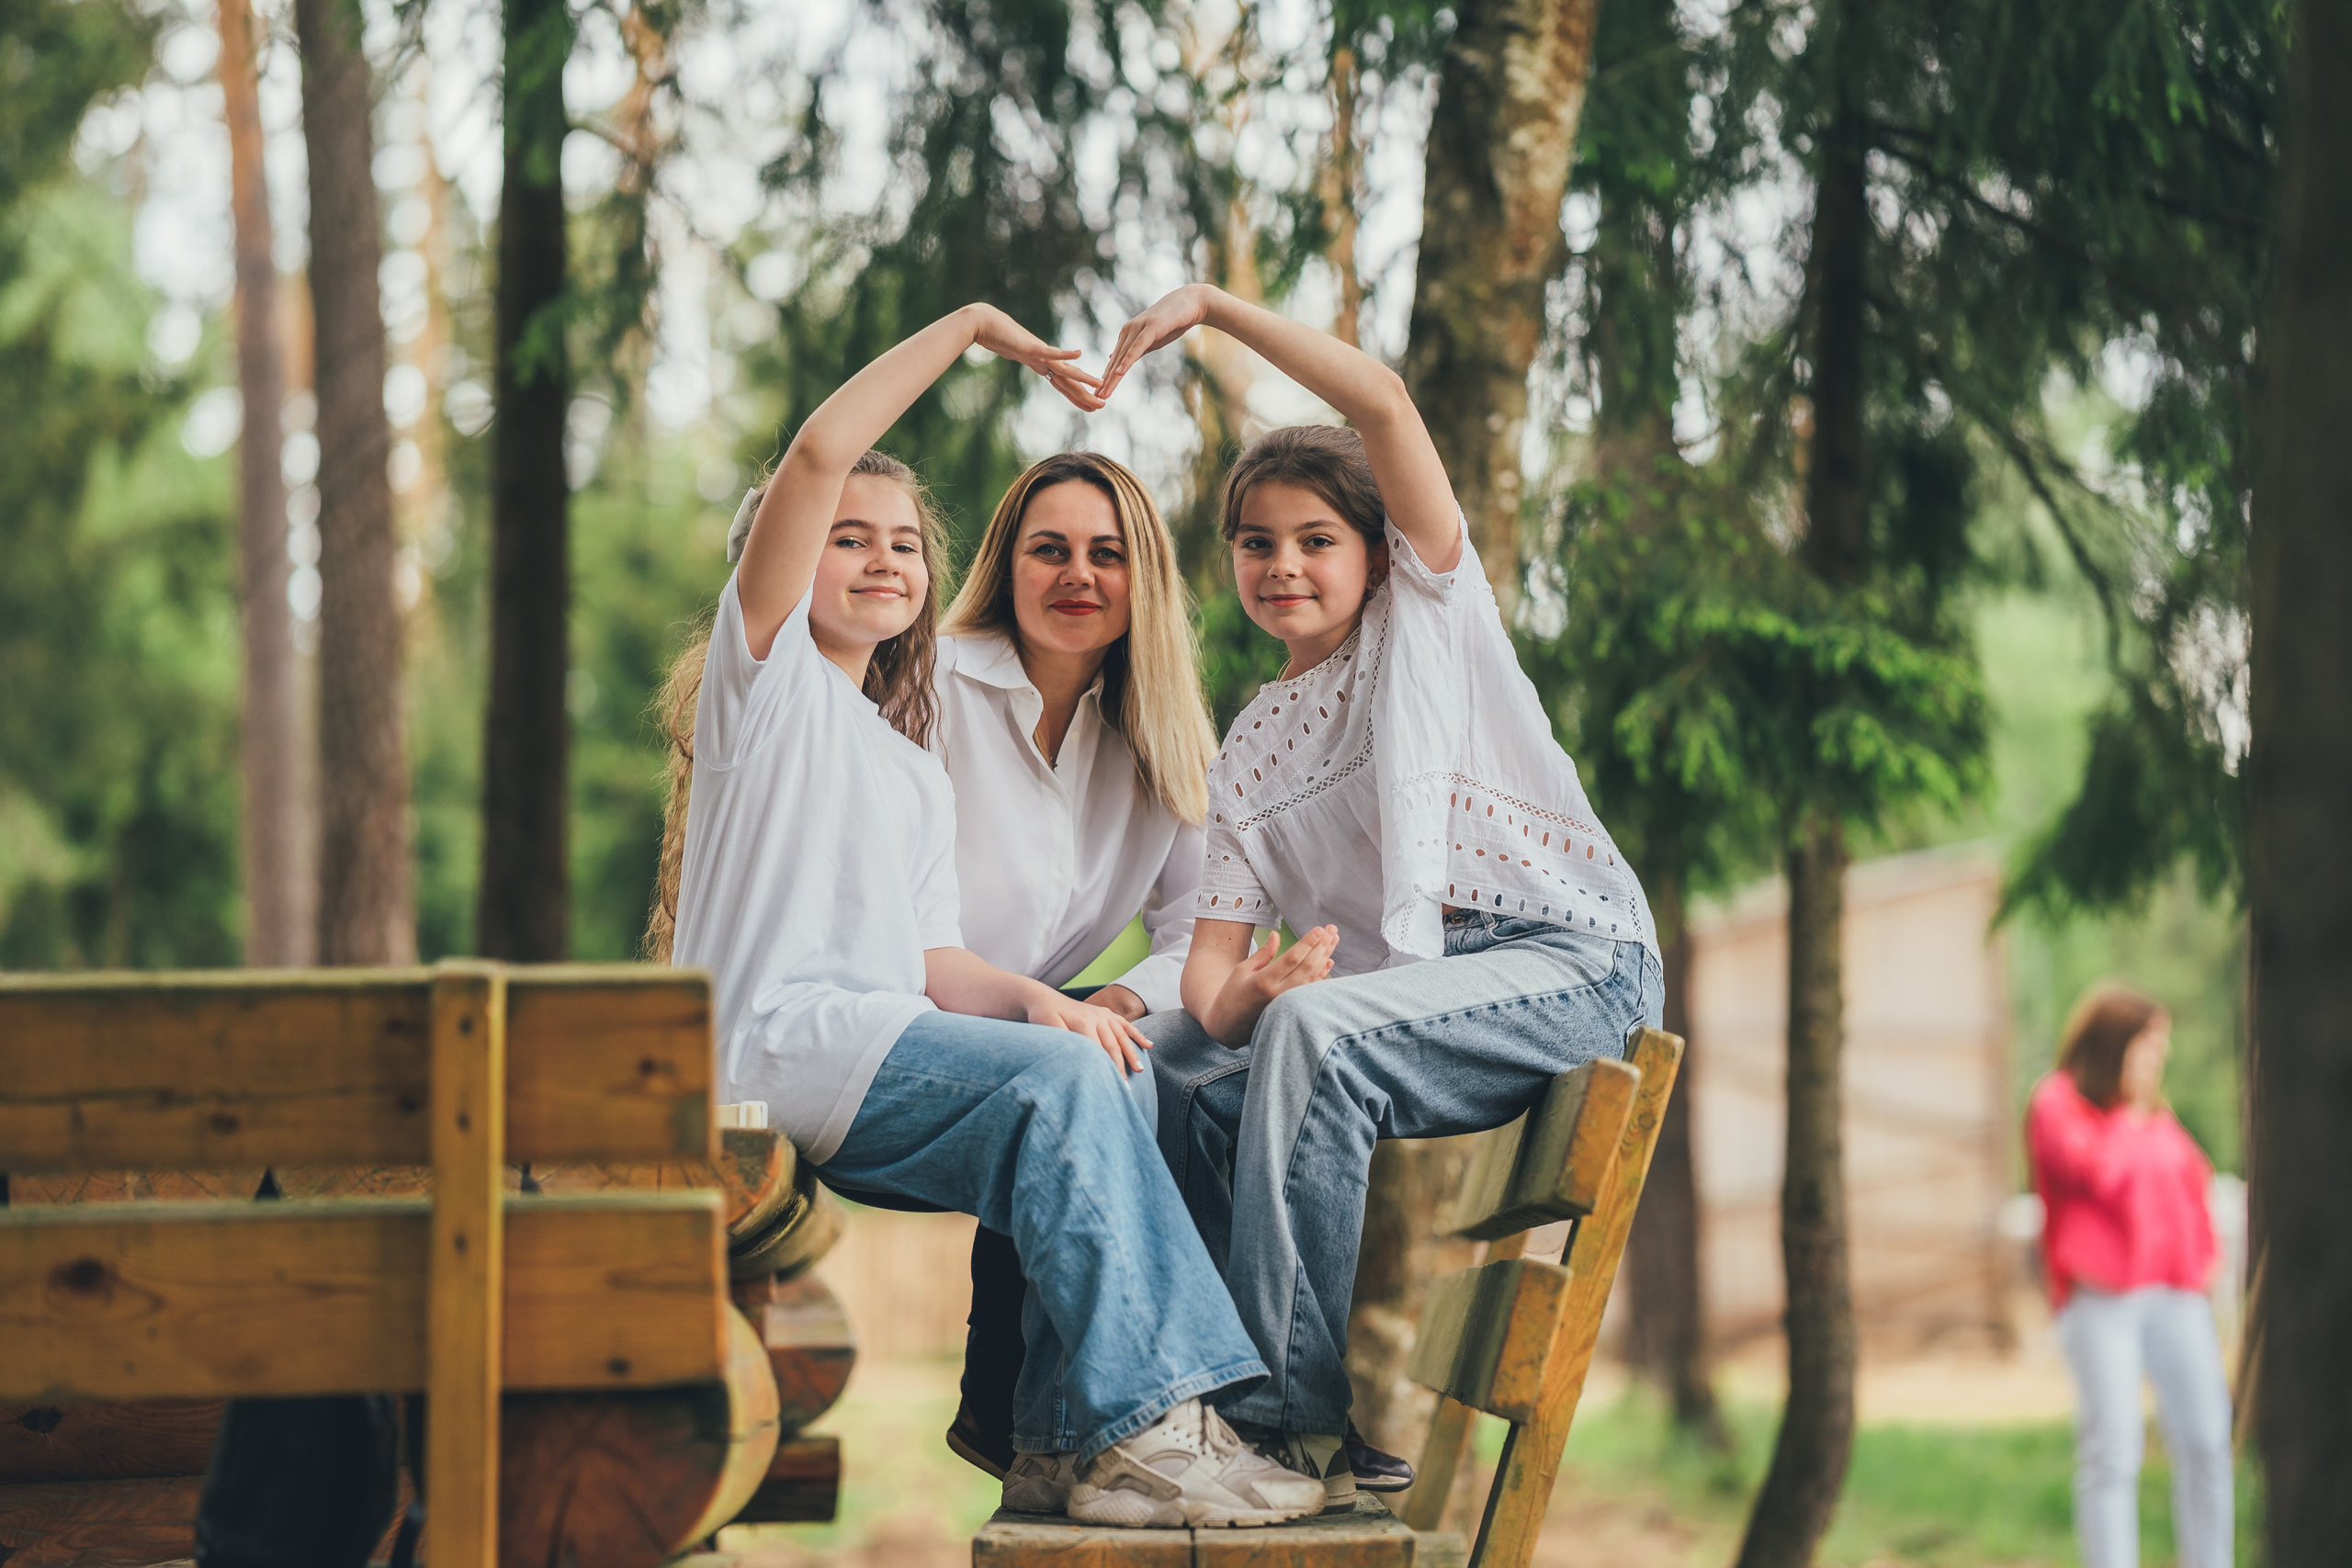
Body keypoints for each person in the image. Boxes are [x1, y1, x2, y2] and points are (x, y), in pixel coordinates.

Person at [645, 303, 1325, 1529]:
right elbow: (811, 457)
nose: (882, 558)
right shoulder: (769, 689)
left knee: (1091, 1065)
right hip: (766, 1055)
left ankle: (1071, 1444)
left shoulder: (903, 760)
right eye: (846, 538)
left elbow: (932, 959)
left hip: (865, 1047)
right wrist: (963, 332)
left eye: (904, 541)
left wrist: (1048, 1004)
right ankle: (1162, 1428)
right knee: (1063, 1088)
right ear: (780, 565)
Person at [1091, 284, 1665, 1503]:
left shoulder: (1431, 615)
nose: (1284, 563)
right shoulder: (1247, 748)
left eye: (1316, 538)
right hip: (1435, 1002)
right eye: (1257, 541)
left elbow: (1386, 403)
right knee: (1187, 1076)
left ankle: (1285, 1425)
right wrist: (1243, 988)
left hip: (1574, 962)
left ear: (1373, 550)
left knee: (1303, 1034)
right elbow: (1209, 975)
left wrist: (1210, 310)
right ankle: (1182, 1396)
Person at [921, 450, 1220, 1499]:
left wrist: (1126, 996)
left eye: (1108, 554)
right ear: (1006, 566)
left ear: (1144, 581)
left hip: (1029, 1026)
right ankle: (1070, 1431)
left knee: (1164, 1053)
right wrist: (1059, 1012)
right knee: (1087, 1065)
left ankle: (1074, 1428)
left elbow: (1203, 927)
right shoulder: (926, 684)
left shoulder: (1161, 737)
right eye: (1049, 550)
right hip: (892, 1016)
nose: (1077, 576)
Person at [2027, 983, 2233, 1568]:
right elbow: (2100, 1175)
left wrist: (2207, 1256)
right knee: (2112, 1451)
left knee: (2207, 1441)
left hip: (2176, 1294)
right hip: (2103, 1301)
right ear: (2115, 1042)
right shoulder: (2059, 1102)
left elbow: (2192, 1183)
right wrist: (2127, 1116)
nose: (2158, 1059)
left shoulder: (2154, 1115)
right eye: (2149, 1044)